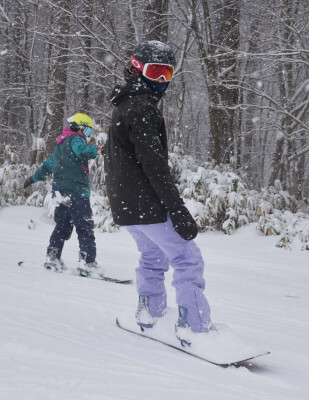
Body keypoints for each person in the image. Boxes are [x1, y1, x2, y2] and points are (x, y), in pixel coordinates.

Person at [104, 41, 212, 345]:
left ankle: (149, 311)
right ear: (137, 69)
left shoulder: (124, 105)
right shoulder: (141, 108)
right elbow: (154, 166)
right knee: (187, 257)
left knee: (152, 255)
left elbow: (116, 161)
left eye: (167, 74)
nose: (161, 81)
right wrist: (176, 208)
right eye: (156, 72)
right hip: (145, 202)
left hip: (128, 206)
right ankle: (194, 327)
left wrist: (122, 201)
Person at [24, 113, 104, 277]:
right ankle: (87, 263)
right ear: (79, 127)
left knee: (62, 226)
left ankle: (52, 258)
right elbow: (82, 151)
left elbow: (47, 165)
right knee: (84, 227)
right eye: (88, 132)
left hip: (60, 193)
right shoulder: (75, 140)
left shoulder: (60, 146)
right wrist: (97, 149)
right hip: (76, 192)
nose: (88, 136)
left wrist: (32, 178)